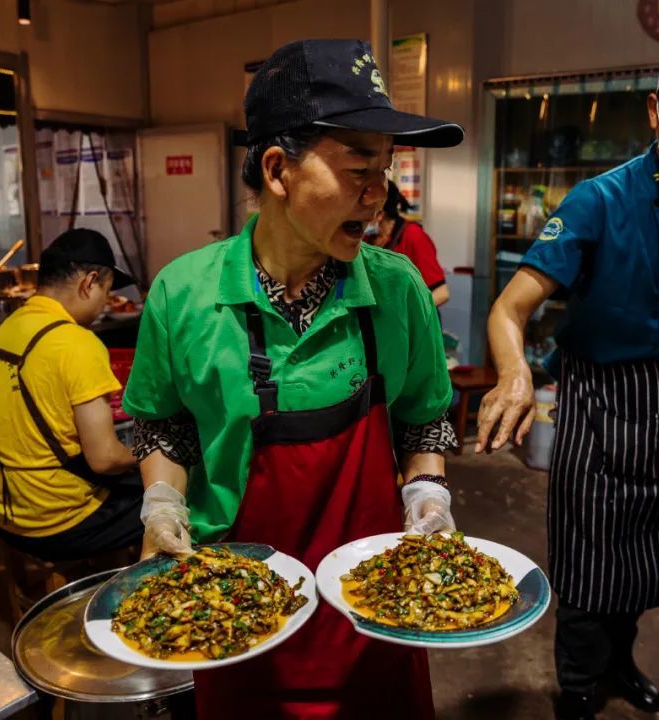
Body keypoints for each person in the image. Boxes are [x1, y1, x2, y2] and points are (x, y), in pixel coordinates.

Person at [123, 39, 463, 720]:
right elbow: (161, 424)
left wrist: (427, 492)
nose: (380, 195)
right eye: (358, 168)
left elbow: (425, 416)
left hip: (375, 608)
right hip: (236, 615)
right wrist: (162, 505)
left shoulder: (398, 290)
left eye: (386, 168)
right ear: (278, 170)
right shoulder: (183, 292)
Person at [475, 2, 659, 719]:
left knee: (645, 571)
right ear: (655, 109)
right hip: (600, 408)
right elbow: (509, 309)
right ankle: (577, 690)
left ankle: (619, 667)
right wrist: (514, 372)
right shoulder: (597, 201)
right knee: (588, 575)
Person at [0, 228, 141, 562]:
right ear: (89, 283)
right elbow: (105, 459)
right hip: (58, 523)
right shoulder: (77, 343)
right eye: (106, 291)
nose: (104, 304)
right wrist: (154, 453)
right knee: (175, 499)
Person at [366, 181, 450, 306]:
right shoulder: (367, 239)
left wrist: (407, 317)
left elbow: (441, 293)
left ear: (379, 215)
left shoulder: (412, 236)